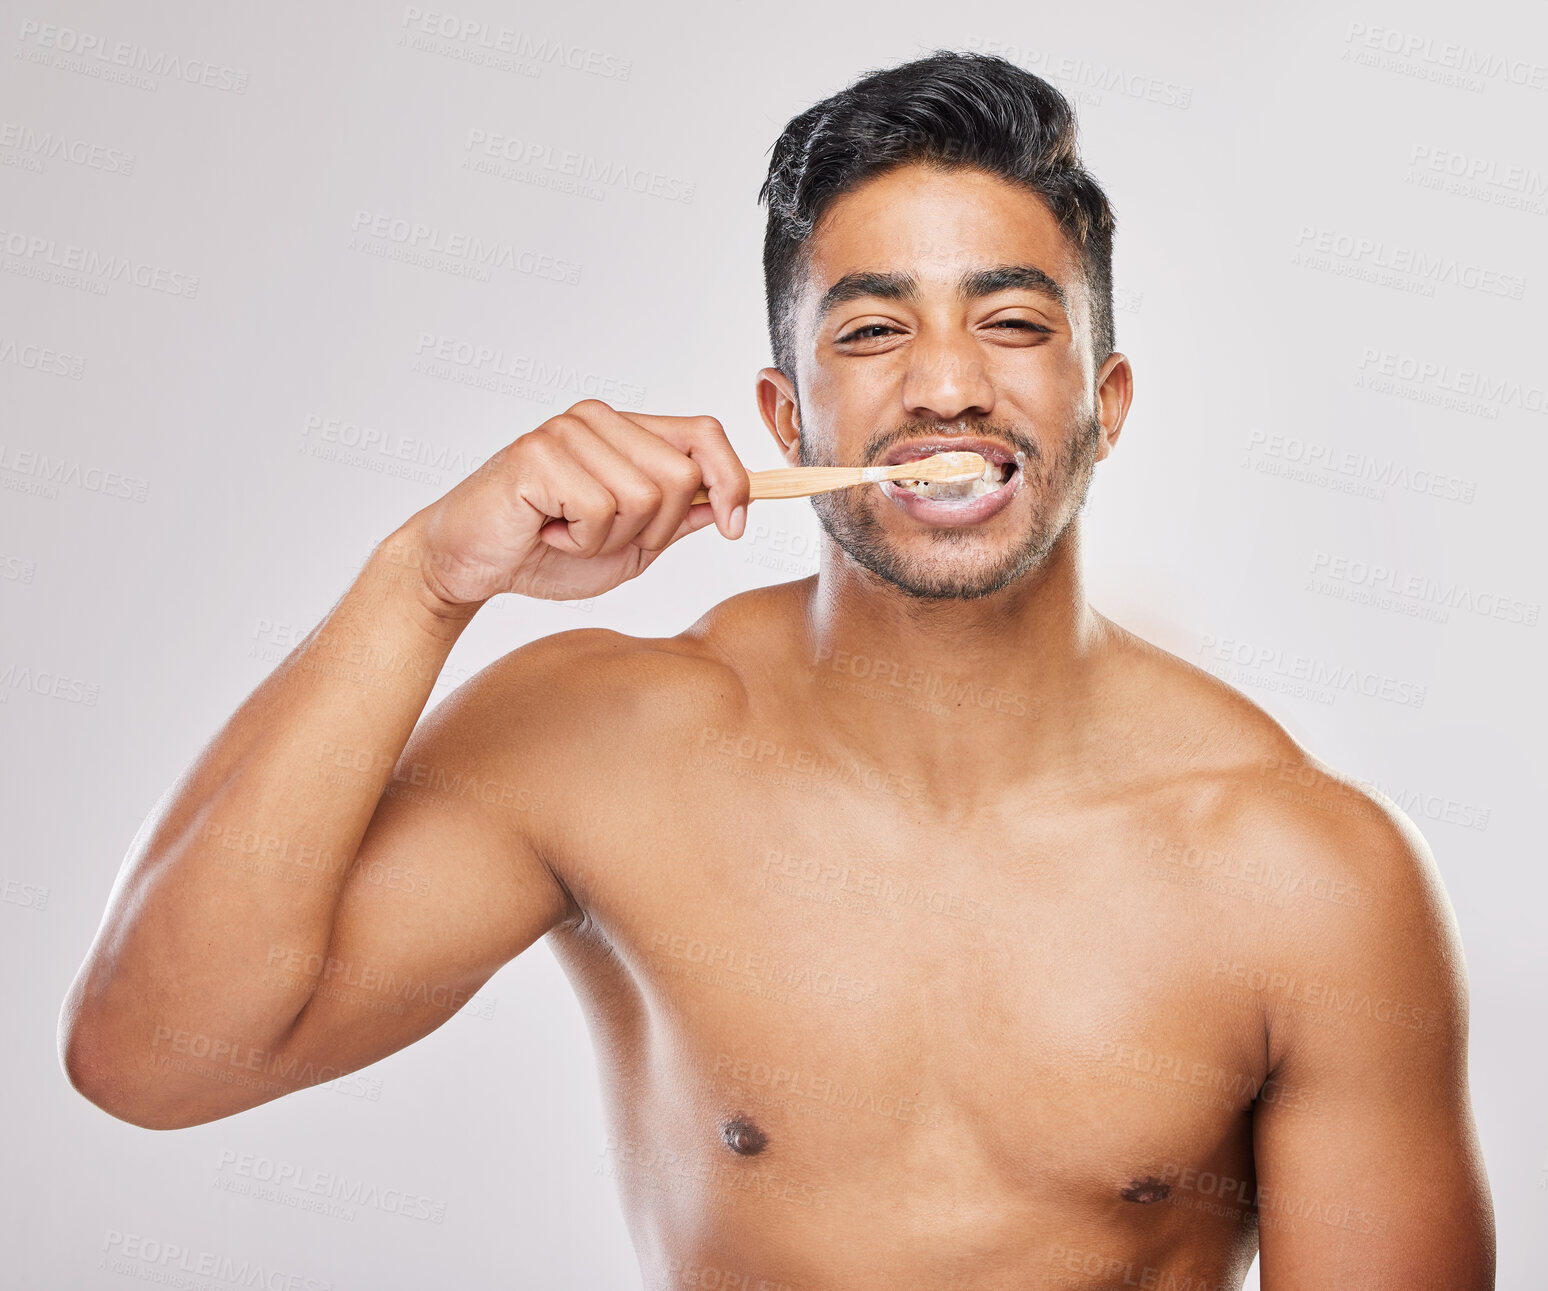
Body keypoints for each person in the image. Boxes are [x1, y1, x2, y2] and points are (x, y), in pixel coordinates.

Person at [60, 50, 1494, 1290]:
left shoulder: (1306, 873)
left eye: (1012, 322)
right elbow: (157, 1058)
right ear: (784, 409)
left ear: (1104, 404)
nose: (944, 383)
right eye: (872, 330)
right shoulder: (604, 745)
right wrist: (427, 577)